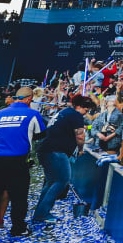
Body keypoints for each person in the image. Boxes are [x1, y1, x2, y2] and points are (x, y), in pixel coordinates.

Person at [0, 85, 46, 240]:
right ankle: (17, 228)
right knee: (19, 197)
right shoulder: (33, 113)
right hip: (18, 160)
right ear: (30, 99)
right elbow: (41, 134)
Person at [31, 94, 96, 229]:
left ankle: (40, 212)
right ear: (80, 106)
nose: (86, 113)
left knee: (51, 181)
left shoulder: (64, 112)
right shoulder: (75, 115)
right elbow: (80, 135)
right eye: (86, 110)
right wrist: (80, 149)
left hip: (45, 149)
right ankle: (42, 213)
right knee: (62, 180)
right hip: (56, 151)